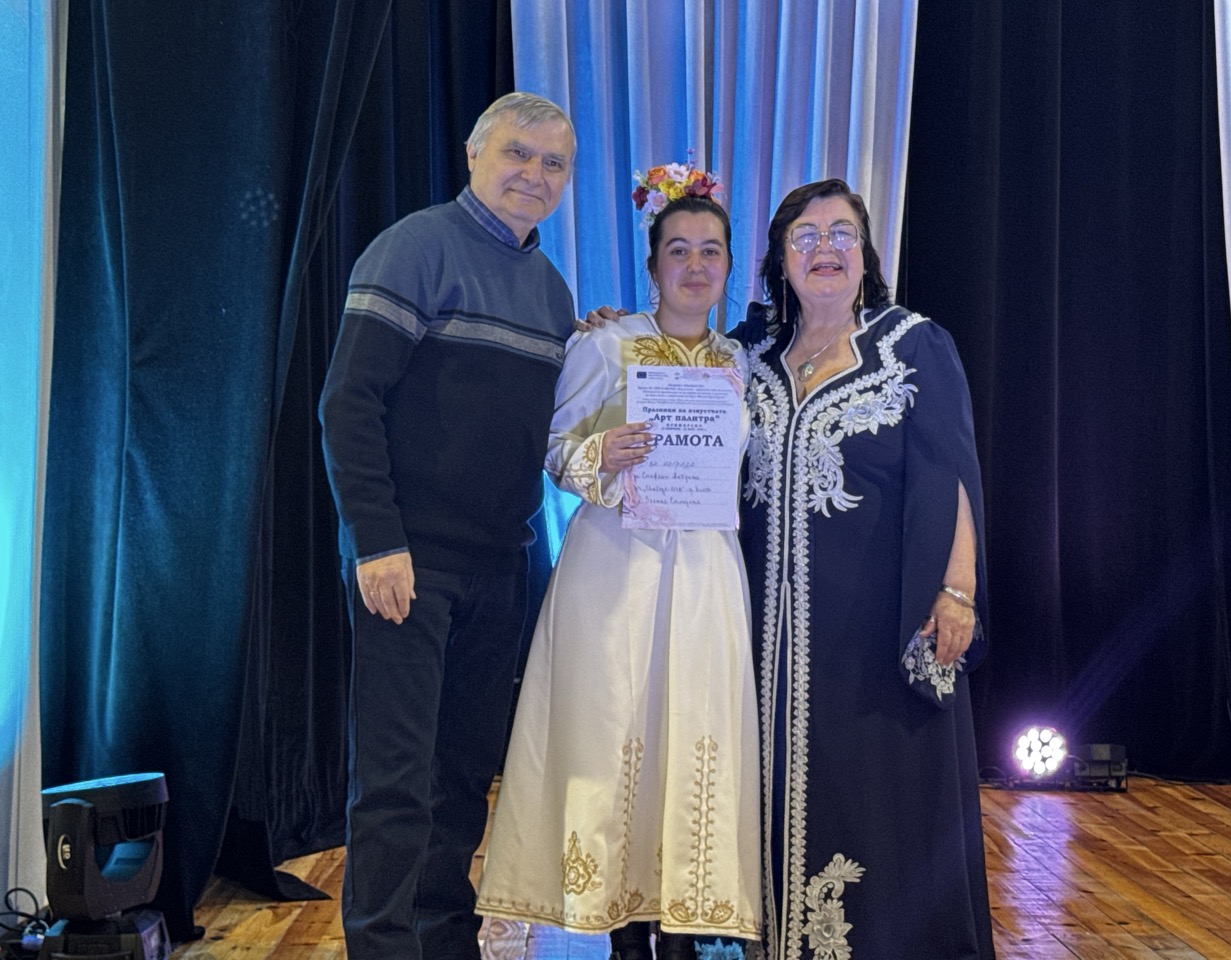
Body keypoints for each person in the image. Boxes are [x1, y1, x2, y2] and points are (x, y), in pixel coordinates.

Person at [475, 169, 762, 960]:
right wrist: (603, 453)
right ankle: (623, 930)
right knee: (615, 735)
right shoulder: (605, 344)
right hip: (616, 573)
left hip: (706, 576)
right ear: (653, 264)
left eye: (711, 251)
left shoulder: (744, 363)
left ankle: (685, 925)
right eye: (679, 250)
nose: (695, 265)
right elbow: (552, 447)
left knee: (694, 735)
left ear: (729, 265)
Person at [317, 92, 577, 960]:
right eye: (518, 153)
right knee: (395, 780)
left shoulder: (552, 291)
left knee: (464, 774)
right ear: (474, 154)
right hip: (409, 561)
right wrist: (377, 541)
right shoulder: (415, 247)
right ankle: (383, 948)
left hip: (502, 565)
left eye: (553, 163)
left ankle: (442, 937)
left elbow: (545, 429)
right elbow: (348, 404)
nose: (534, 174)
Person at [733, 178, 995, 959]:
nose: (826, 249)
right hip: (765, 635)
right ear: (781, 259)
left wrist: (956, 591)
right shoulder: (749, 355)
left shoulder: (912, 344)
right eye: (806, 236)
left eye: (842, 233)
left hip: (880, 622)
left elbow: (952, 472)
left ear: (866, 252)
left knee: (881, 791)